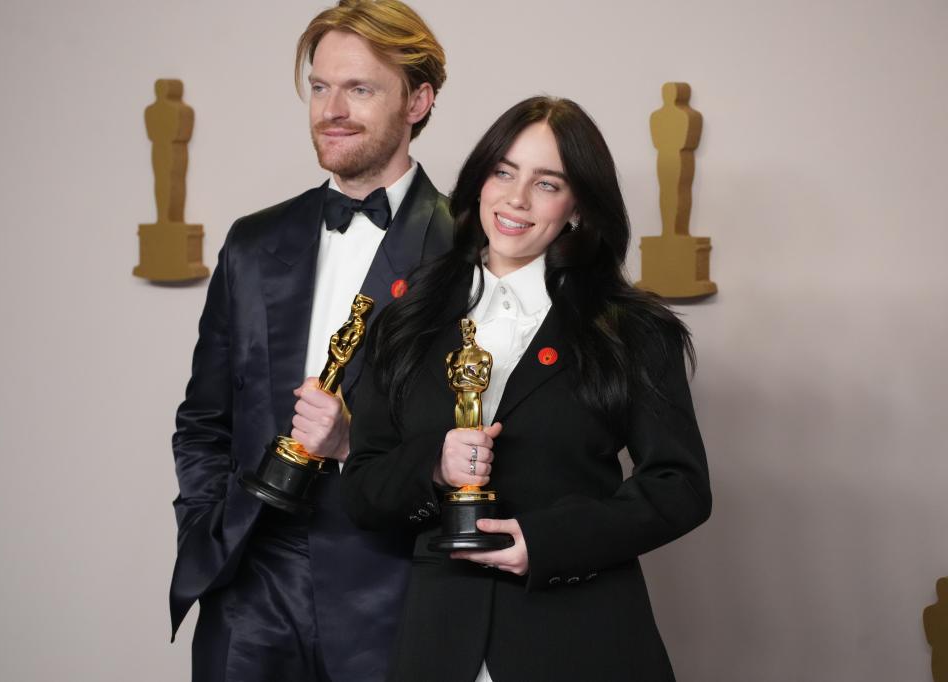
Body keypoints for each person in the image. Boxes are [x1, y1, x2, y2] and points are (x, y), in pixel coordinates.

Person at [342, 96, 712, 682]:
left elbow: (682, 486)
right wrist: (433, 467)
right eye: (504, 172)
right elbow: (361, 489)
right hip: (439, 645)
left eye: (547, 183)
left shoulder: (631, 329)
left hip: (583, 640)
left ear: (578, 208)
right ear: (480, 181)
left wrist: (547, 542)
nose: (516, 199)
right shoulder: (406, 316)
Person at [168, 2, 449, 680]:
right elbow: (203, 421)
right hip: (248, 581)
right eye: (320, 87)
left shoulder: (465, 251)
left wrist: (358, 451)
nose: (333, 109)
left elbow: (488, 443)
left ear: (418, 100)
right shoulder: (254, 242)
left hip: (394, 585)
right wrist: (211, 528)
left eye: (360, 88)